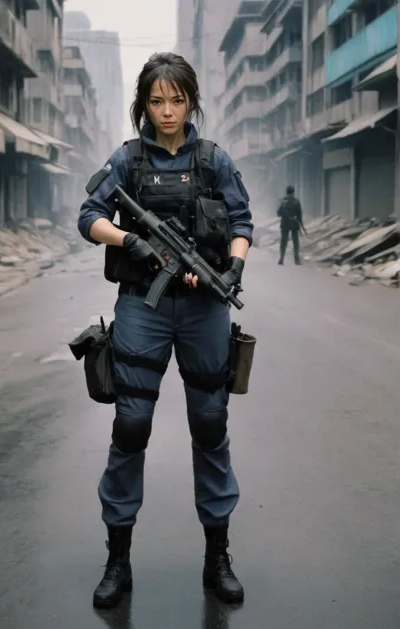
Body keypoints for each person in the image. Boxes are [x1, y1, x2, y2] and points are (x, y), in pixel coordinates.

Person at [78, 52, 253, 609]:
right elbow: (89, 216)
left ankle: (217, 556)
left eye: (177, 99)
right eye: (157, 101)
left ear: (191, 100)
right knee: (130, 424)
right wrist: (130, 241)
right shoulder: (127, 161)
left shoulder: (213, 160)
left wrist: (232, 267)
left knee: (209, 422)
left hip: (203, 310)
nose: (168, 110)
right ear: (143, 104)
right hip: (142, 308)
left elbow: (243, 221)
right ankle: (118, 560)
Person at [277, 185, 304, 265]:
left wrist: (286, 214)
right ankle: (296, 260)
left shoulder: (283, 201)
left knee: (284, 242)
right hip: (294, 224)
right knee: (295, 242)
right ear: (293, 193)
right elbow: (300, 214)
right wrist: (300, 223)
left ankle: (281, 258)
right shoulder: (296, 201)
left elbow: (278, 213)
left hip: (285, 224)